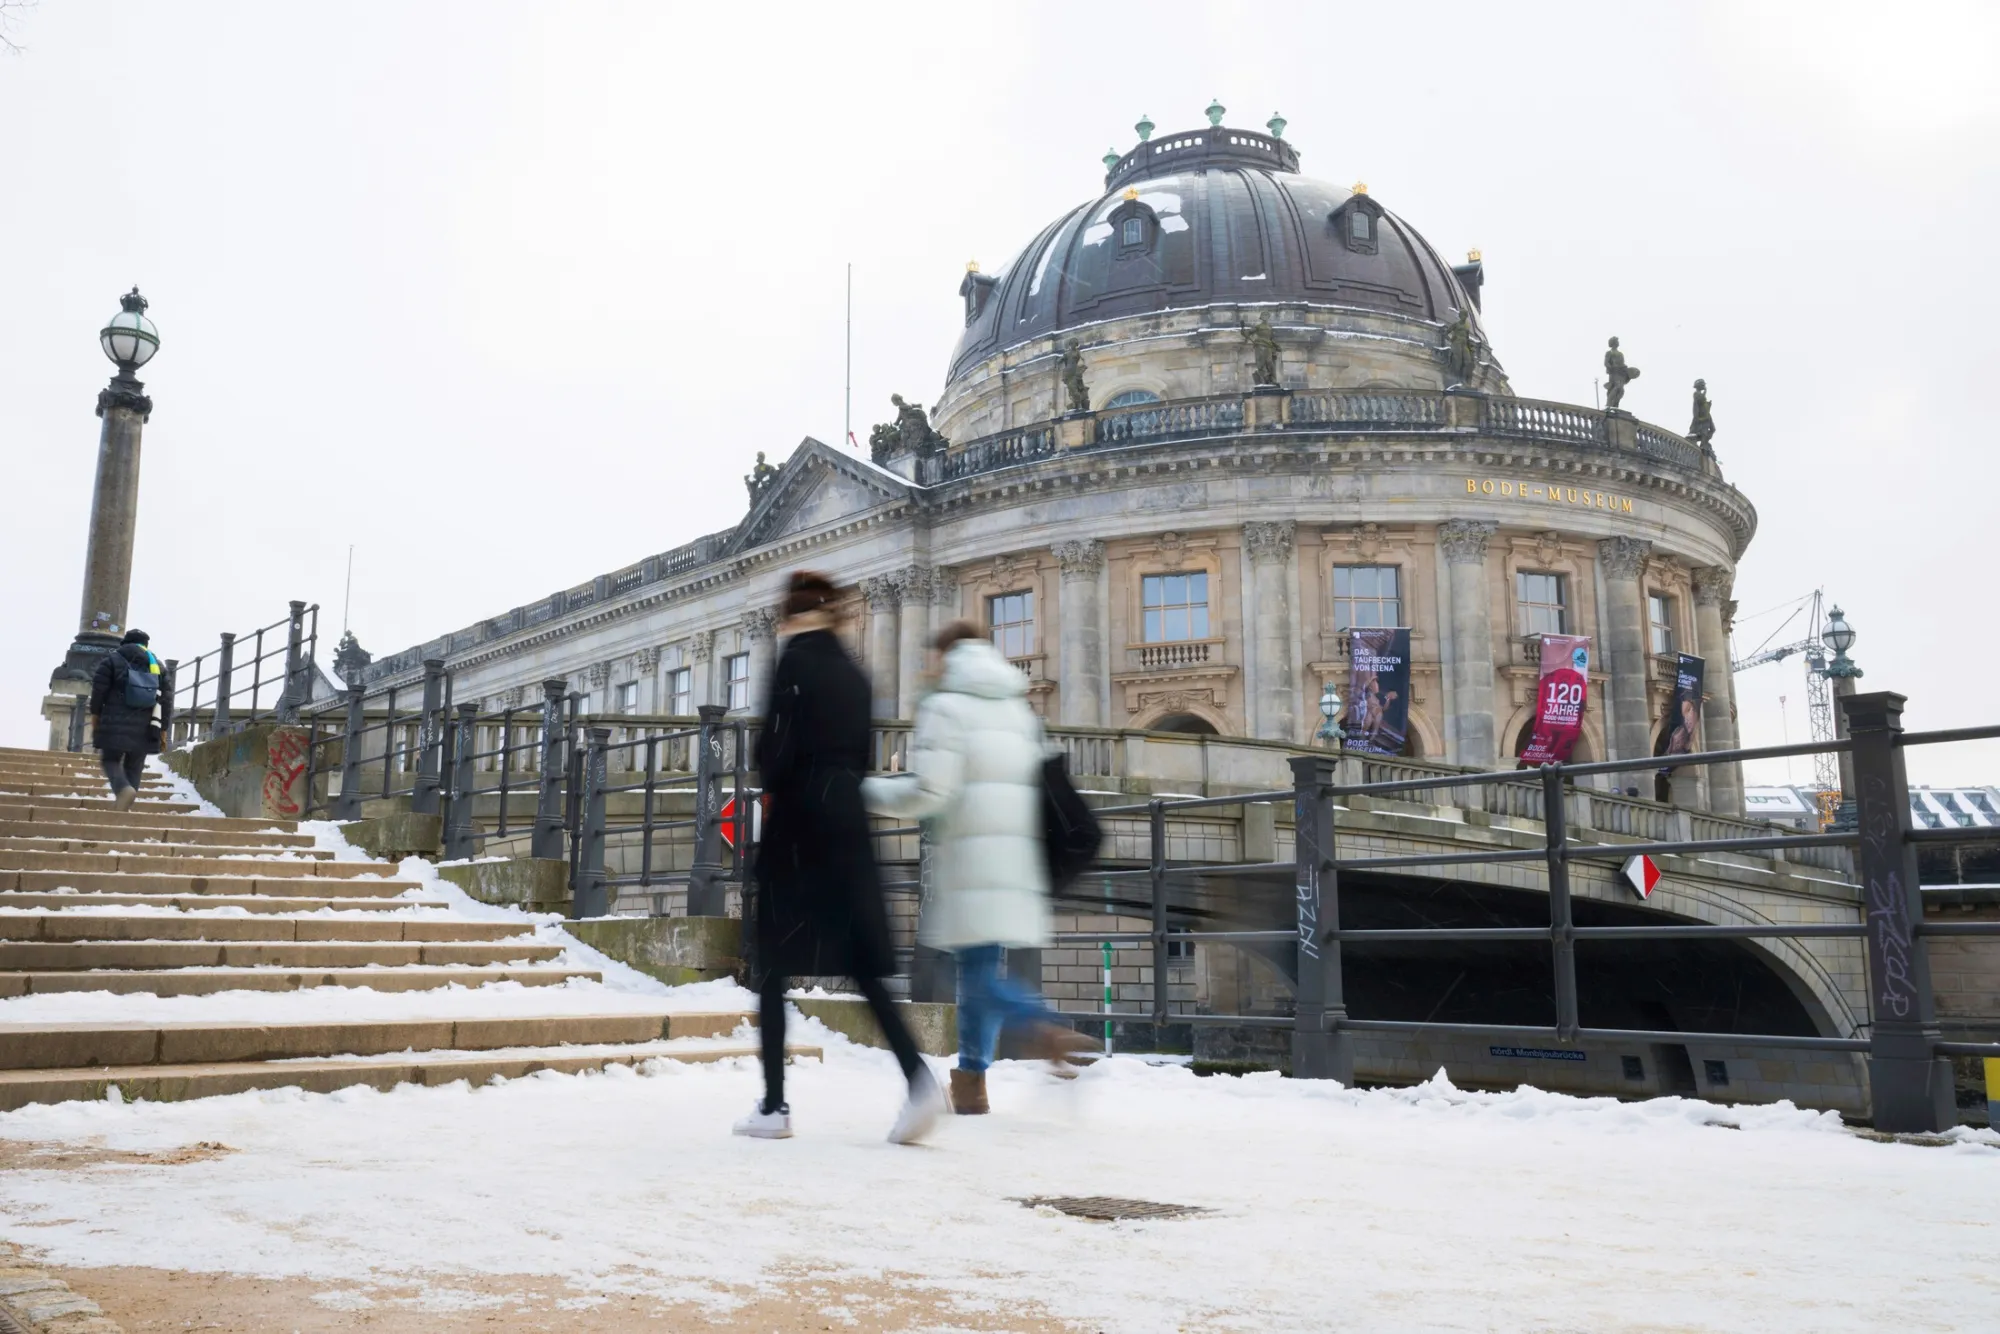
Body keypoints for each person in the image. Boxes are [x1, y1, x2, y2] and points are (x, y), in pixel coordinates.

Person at [735, 572, 943, 1144]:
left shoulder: (794, 662)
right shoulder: (855, 674)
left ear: (793, 615)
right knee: (863, 966)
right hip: (848, 822)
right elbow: (863, 750)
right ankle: (918, 1078)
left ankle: (774, 1105)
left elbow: (773, 753)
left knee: (773, 966)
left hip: (799, 827)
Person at [863, 621, 1096, 1116]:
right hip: (1018, 857)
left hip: (969, 857)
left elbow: (930, 791)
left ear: (945, 656)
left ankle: (1044, 1027)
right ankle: (971, 1081)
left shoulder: (945, 706)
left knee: (979, 974)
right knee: (978, 969)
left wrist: (863, 790)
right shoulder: (1018, 708)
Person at [88, 629, 171, 812]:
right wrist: (163, 729)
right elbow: (166, 701)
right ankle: (124, 807)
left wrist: (95, 715)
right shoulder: (158, 667)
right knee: (134, 765)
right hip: (146, 726)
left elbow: (98, 692)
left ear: (125, 643)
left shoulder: (112, 660)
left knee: (110, 759)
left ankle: (123, 790)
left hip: (114, 723)